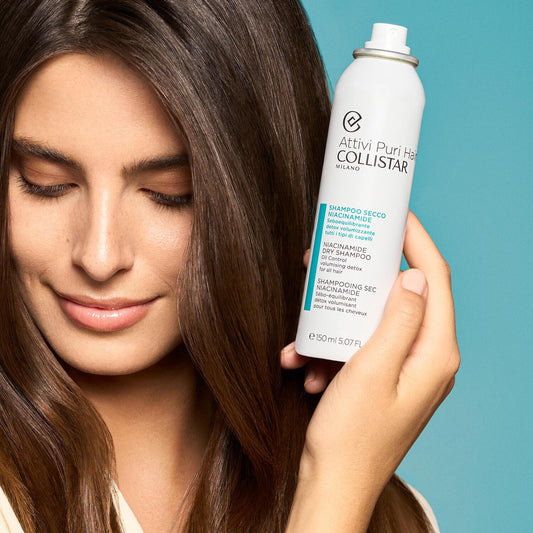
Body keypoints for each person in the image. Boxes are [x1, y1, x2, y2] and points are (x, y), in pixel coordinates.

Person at [0, 1, 460, 532]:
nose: (99, 257)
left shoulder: (396, 515)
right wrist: (333, 491)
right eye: (47, 183)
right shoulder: (343, 489)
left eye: (171, 193)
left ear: (262, 195)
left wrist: (339, 479)